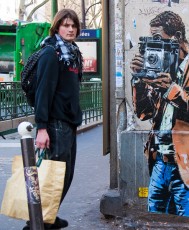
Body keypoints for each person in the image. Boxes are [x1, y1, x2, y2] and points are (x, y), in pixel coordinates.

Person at [130, 11, 189, 219]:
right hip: (160, 162)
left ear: (177, 37)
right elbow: (144, 113)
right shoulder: (159, 64)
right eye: (151, 39)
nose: (154, 45)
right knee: (157, 221)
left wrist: (172, 90)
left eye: (158, 38)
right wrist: (138, 80)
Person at [23, 9, 83, 230]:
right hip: (56, 123)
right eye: (65, 25)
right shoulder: (52, 53)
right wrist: (42, 128)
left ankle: (48, 216)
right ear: (57, 27)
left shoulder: (73, 52)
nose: (70, 29)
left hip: (69, 121)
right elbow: (43, 91)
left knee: (65, 175)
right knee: (54, 177)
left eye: (73, 25)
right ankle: (36, 223)